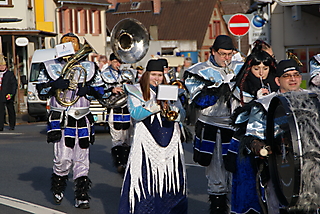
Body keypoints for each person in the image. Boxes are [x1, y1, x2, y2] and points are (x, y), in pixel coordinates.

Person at [36, 33, 105, 209]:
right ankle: (58, 186)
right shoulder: (50, 66)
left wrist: (88, 90)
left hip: (82, 116)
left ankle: (82, 195)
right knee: (62, 158)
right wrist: (54, 85)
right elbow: (41, 91)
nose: (70, 46)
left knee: (82, 158)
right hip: (61, 117)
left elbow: (101, 91)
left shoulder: (89, 67)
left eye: (74, 43)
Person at [231, 59, 306, 214]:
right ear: (278, 80)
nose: (293, 79)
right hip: (278, 169)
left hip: (309, 167)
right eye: (287, 76)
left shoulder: (311, 100)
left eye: (296, 75)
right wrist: (259, 147)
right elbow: (251, 137)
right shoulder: (265, 104)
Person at [118, 59, 187, 214]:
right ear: (146, 75)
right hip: (146, 144)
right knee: (146, 183)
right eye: (153, 75)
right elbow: (135, 113)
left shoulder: (170, 89)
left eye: (160, 75)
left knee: (171, 183)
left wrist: (172, 110)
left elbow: (182, 114)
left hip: (170, 143)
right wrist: (156, 104)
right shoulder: (136, 90)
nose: (157, 78)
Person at [184, 35, 243, 213]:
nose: (227, 58)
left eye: (230, 54)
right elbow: (200, 100)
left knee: (237, 174)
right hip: (211, 126)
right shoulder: (198, 70)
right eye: (223, 54)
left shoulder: (240, 68)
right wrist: (221, 88)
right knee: (216, 176)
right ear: (213, 52)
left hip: (236, 127)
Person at [226, 43, 278, 214]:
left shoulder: (276, 86)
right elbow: (236, 120)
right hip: (246, 143)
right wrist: (254, 103)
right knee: (249, 185)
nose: (262, 72)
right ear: (250, 69)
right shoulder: (240, 90)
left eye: (265, 68)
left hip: (273, 140)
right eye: (257, 68)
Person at [100, 53, 133, 175]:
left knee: (127, 137)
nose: (118, 65)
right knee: (117, 137)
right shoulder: (104, 74)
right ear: (111, 62)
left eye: (120, 62)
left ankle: (127, 161)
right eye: (116, 62)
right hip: (114, 108)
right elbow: (100, 90)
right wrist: (111, 89)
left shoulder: (126, 73)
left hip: (127, 108)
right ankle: (119, 163)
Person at [0, 53, 17, 131]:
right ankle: (1, 126)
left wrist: (12, 94)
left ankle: (12, 125)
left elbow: (14, 84)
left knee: (10, 110)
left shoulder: (9, 74)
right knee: (1, 111)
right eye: (0, 66)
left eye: (3, 66)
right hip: (1, 94)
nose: (1, 67)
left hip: (8, 94)